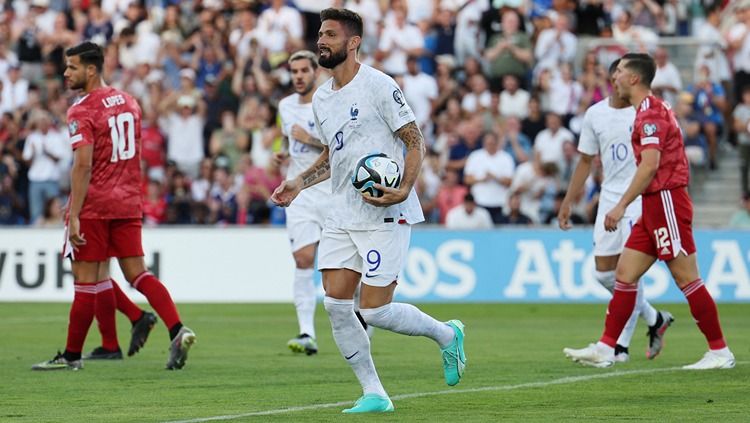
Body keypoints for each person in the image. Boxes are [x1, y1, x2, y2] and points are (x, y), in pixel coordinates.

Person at [271, 9, 466, 413]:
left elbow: (414, 140)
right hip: (341, 213)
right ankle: (374, 392)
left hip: (384, 210)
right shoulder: (323, 97)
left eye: (329, 35)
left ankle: (447, 335)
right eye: (319, 34)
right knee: (336, 305)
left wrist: (404, 188)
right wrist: (298, 182)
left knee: (375, 310)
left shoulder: (379, 85)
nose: (321, 40)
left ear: (353, 42)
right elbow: (333, 154)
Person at [563, 53, 734, 370]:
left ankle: (720, 351)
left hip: (666, 199)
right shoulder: (648, 109)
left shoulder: (649, 114)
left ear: (634, 79)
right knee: (624, 275)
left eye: (621, 71)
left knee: (688, 280)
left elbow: (651, 164)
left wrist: (621, 204)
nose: (614, 76)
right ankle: (606, 347)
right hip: (654, 204)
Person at [32, 42, 195, 371]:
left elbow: (83, 165)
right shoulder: (130, 102)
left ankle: (71, 356)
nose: (66, 73)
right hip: (128, 201)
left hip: (95, 204)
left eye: (72, 67)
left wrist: (74, 213)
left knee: (85, 279)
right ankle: (177, 328)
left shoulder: (82, 110)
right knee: (138, 274)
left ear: (91, 70)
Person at [559, 59, 672, 363]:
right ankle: (654, 318)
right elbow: (585, 160)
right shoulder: (595, 114)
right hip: (609, 198)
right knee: (604, 274)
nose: (621, 77)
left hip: (638, 199)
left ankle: (617, 347)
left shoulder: (647, 112)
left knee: (626, 275)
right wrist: (569, 200)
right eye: (618, 71)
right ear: (614, 78)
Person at [275, 50, 329, 355]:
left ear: (315, 72)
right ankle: (306, 332)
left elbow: (339, 147)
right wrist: (283, 151)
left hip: (332, 191)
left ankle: (364, 319)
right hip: (300, 193)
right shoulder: (285, 105)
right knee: (303, 259)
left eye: (303, 71)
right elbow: (286, 138)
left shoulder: (328, 102)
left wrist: (308, 138)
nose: (298, 76)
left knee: (345, 266)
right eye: (293, 71)